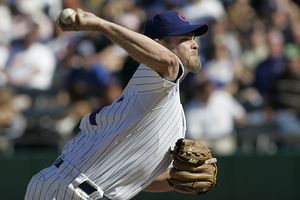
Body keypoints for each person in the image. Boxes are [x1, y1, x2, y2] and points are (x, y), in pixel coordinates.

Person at [25, 9, 216, 200]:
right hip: (69, 190)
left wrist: (174, 180)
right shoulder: (156, 79)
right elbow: (167, 62)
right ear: (158, 45)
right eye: (184, 38)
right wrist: (101, 25)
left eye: (193, 38)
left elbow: (140, 181)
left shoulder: (168, 104)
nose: (194, 45)